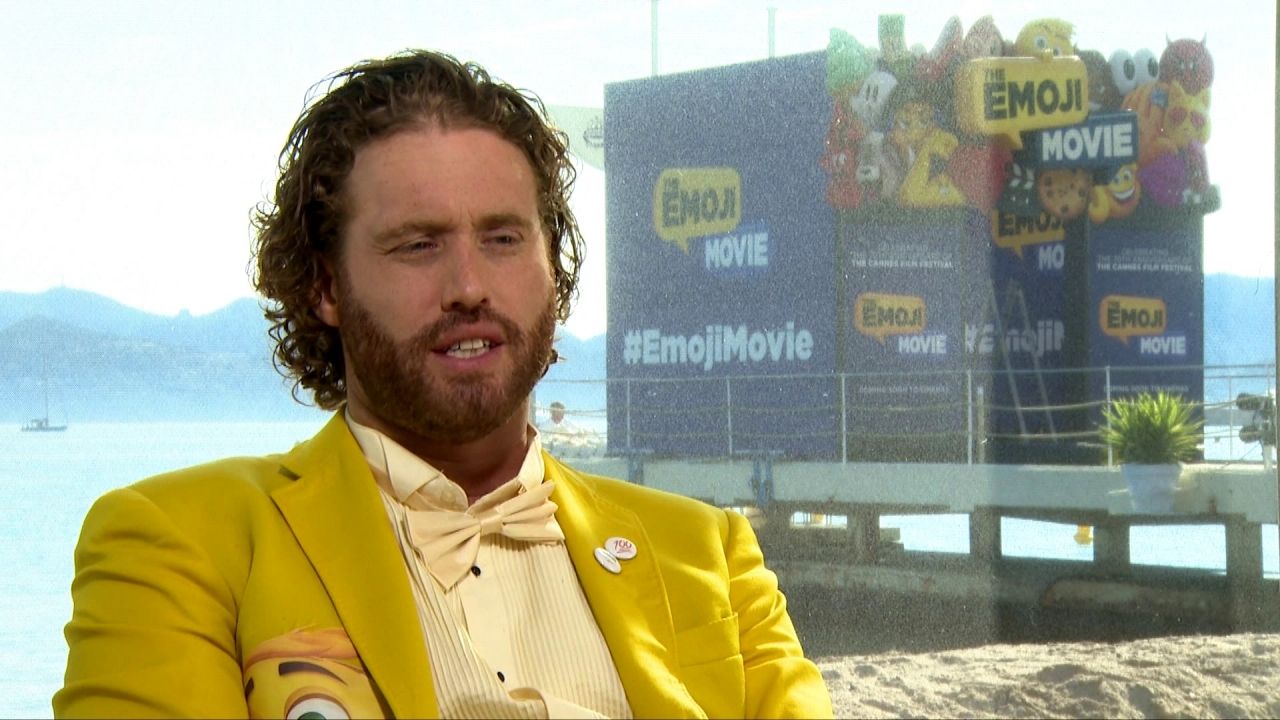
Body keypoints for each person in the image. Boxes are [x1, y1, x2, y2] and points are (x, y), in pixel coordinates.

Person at [54, 50, 832, 719]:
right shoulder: (181, 542)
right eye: (417, 245)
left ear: (554, 269)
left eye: (503, 238)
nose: (469, 286)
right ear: (325, 286)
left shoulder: (708, 551)